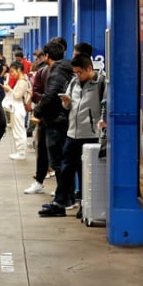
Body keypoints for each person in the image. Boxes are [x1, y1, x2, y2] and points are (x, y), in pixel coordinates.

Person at [39, 54, 106, 217]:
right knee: (65, 169)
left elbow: (105, 104)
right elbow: (67, 105)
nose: (77, 75)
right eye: (75, 72)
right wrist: (66, 103)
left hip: (89, 135)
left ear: (90, 68)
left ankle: (86, 203)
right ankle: (60, 202)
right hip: (72, 133)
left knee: (86, 171)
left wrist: (103, 121)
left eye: (80, 72)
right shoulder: (74, 82)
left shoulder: (100, 83)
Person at [31, 39, 74, 216]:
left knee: (58, 162)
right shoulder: (65, 68)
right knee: (61, 162)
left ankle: (64, 200)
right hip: (61, 120)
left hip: (56, 122)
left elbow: (50, 96)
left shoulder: (56, 72)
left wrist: (38, 112)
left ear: (47, 56)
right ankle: (63, 197)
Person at [23, 46, 52, 194]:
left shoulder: (64, 72)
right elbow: (37, 92)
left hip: (55, 120)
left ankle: (62, 189)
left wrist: (39, 108)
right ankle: (41, 179)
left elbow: (40, 94)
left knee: (55, 153)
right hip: (46, 118)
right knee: (41, 148)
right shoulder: (43, 72)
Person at [3, 61, 30, 160]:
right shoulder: (21, 80)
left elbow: (17, 95)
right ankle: (20, 151)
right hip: (17, 108)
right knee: (18, 130)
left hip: (18, 108)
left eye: (12, 71)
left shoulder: (22, 81)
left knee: (19, 131)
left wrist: (9, 88)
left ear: (19, 70)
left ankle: (21, 153)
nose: (11, 74)